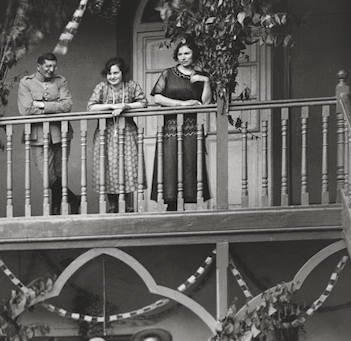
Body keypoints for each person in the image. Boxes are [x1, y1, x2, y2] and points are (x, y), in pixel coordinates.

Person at [147, 40, 212, 211]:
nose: (183, 57)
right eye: (180, 54)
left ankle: (187, 211)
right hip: (171, 128)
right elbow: (158, 98)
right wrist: (182, 104)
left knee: (191, 166)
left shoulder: (200, 75)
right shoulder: (168, 74)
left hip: (192, 128)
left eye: (187, 53)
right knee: (170, 165)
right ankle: (172, 207)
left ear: (194, 55)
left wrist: (206, 81)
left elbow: (205, 102)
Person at [15, 51, 78, 215]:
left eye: (54, 66)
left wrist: (41, 105)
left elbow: (67, 106)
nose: (52, 69)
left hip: (60, 133)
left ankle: (55, 210)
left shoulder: (60, 81)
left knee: (59, 173)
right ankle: (73, 199)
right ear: (39, 66)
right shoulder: (26, 83)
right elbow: (26, 109)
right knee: (48, 177)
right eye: (48, 66)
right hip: (37, 134)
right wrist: (53, 107)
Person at [89, 56, 146, 213]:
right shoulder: (102, 87)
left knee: (126, 167)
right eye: (109, 74)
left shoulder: (131, 86)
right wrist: (111, 106)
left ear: (123, 73)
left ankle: (126, 204)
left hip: (127, 132)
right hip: (105, 133)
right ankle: (113, 206)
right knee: (106, 167)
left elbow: (143, 103)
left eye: (115, 73)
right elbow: (91, 107)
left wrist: (125, 106)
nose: (112, 77)